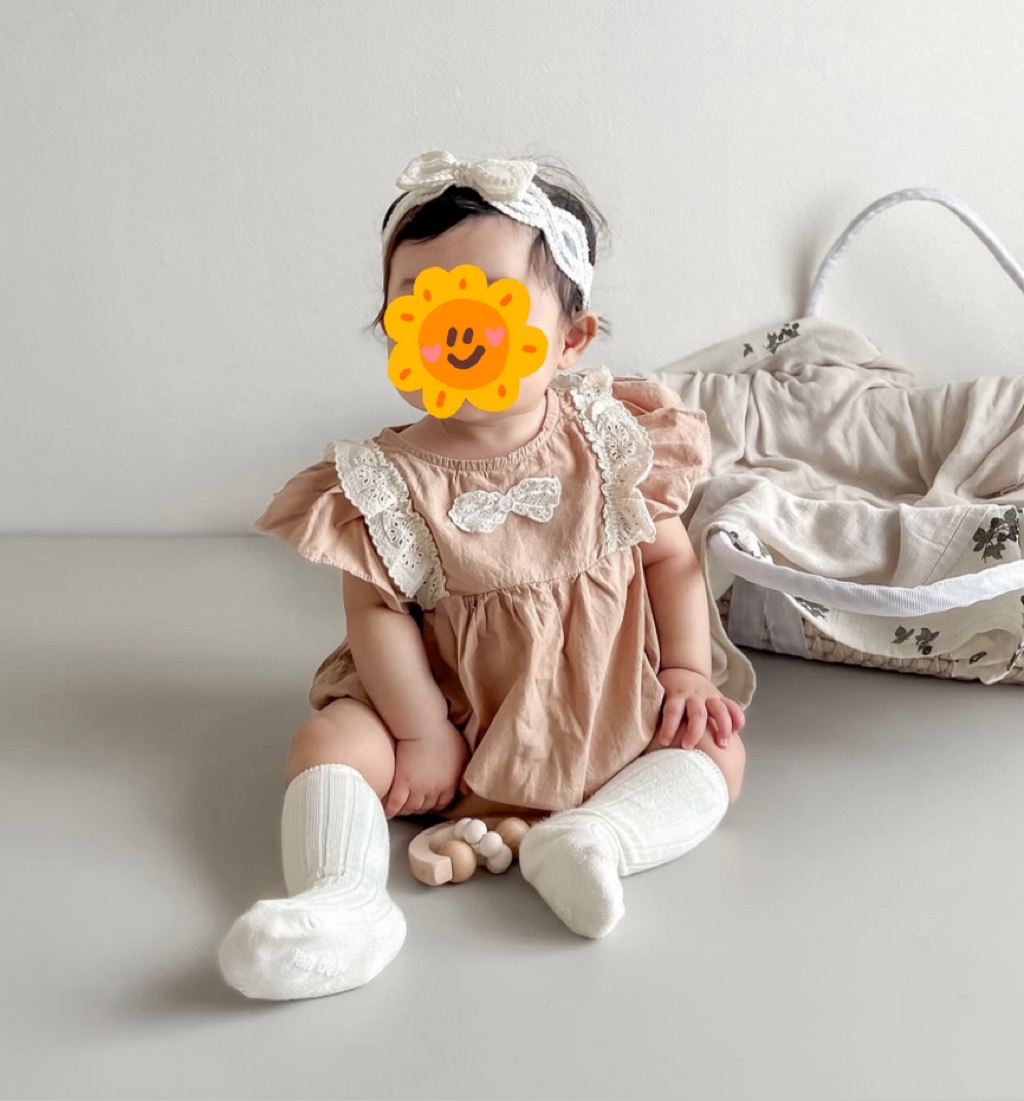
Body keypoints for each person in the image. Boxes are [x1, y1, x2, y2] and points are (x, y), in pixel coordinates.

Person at [218, 150, 747, 1001]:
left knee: (717, 749)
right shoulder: (385, 479)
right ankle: (343, 901)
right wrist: (421, 729)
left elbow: (670, 559)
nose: (452, 328)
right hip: (448, 714)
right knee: (330, 741)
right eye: (418, 302)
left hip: (600, 703)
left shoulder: (608, 442)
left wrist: (686, 669)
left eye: (486, 301)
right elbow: (377, 613)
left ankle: (595, 837)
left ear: (571, 339)